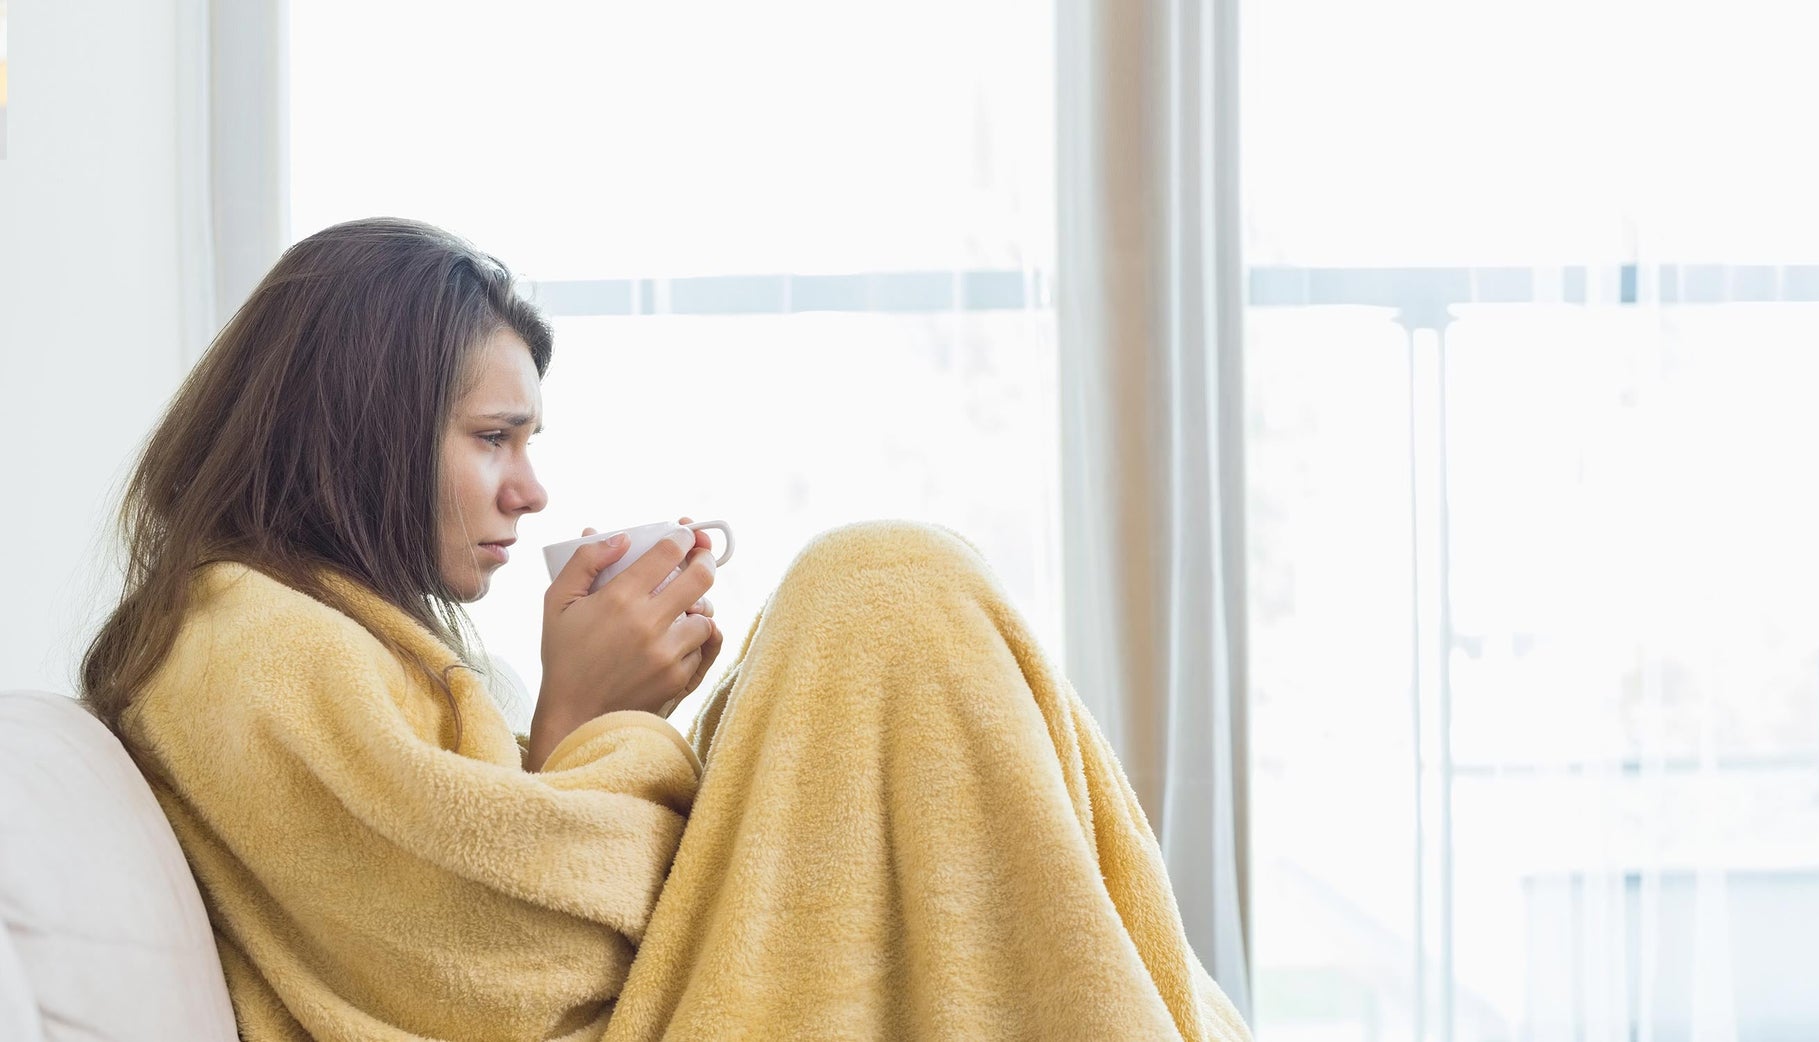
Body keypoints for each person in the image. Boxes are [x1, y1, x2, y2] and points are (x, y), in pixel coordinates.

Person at [80, 217, 1250, 1041]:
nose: (529, 490)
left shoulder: (313, 638)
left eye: (528, 445)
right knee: (882, 585)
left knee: (887, 597)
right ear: (362, 427)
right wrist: (596, 719)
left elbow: (486, 905)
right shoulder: (247, 650)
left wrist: (608, 724)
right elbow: (518, 972)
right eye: (495, 438)